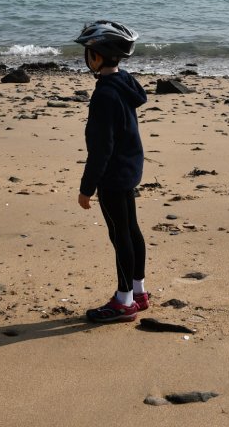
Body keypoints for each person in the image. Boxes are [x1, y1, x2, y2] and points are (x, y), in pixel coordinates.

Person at [73, 20, 150, 323]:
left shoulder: (104, 95)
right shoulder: (125, 82)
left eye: (89, 52)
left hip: (112, 176)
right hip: (130, 168)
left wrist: (87, 187)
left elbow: (100, 148)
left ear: (97, 57)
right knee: (131, 230)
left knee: (120, 236)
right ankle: (139, 292)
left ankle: (124, 301)